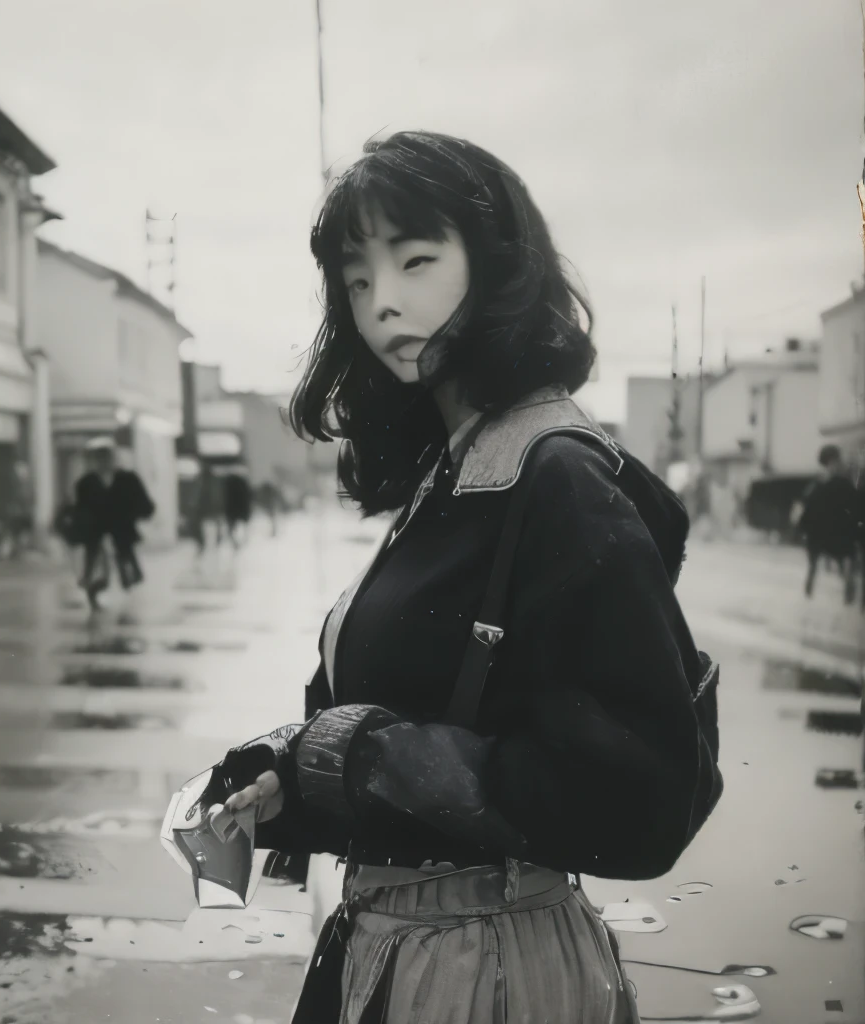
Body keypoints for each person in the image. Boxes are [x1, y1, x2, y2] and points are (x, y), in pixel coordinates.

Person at [191, 132, 721, 1023]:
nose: (383, 304)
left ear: (498, 263)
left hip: (493, 975)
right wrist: (291, 776)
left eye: (417, 260)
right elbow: (435, 713)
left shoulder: (557, 477)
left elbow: (643, 799)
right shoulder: (456, 469)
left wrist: (365, 754)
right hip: (406, 950)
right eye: (358, 280)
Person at [74, 440, 155, 609]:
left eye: (107, 458)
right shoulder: (86, 483)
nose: (103, 462)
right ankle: (96, 589)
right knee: (96, 565)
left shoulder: (127, 479)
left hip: (121, 533)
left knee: (130, 569)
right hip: (95, 534)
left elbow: (143, 503)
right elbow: (81, 510)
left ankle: (124, 582)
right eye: (99, 459)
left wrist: (134, 515)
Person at [793, 444, 857, 604]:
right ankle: (844, 579)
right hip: (833, 530)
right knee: (844, 555)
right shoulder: (840, 483)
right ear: (832, 461)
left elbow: (806, 507)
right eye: (835, 461)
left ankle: (814, 577)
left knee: (819, 556)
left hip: (823, 531)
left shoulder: (817, 484)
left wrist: (802, 528)